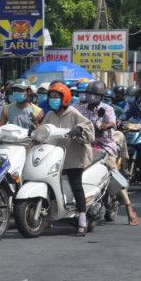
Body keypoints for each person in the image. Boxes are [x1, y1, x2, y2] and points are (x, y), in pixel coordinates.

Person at [76, 81, 138, 225]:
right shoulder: (79, 108)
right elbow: (70, 117)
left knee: (113, 173)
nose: (92, 98)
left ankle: (129, 206)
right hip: (84, 145)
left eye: (95, 96)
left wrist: (103, 126)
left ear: (101, 97)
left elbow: (112, 123)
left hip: (103, 146)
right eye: (90, 95)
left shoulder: (107, 109)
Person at [43, 82, 95, 236]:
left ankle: (82, 220)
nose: (53, 100)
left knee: (76, 186)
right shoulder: (50, 115)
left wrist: (79, 129)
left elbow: (89, 129)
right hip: (53, 157)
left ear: (64, 98)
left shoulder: (73, 113)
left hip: (73, 156)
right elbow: (44, 129)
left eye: (56, 97)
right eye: (50, 97)